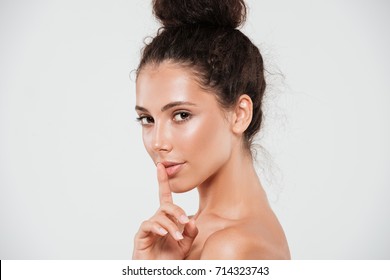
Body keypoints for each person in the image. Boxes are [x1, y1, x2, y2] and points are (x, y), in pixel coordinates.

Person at [132, 0, 290, 260]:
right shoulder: (188, 235)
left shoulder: (233, 247)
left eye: (181, 115)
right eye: (147, 119)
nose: (158, 142)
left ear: (239, 115)